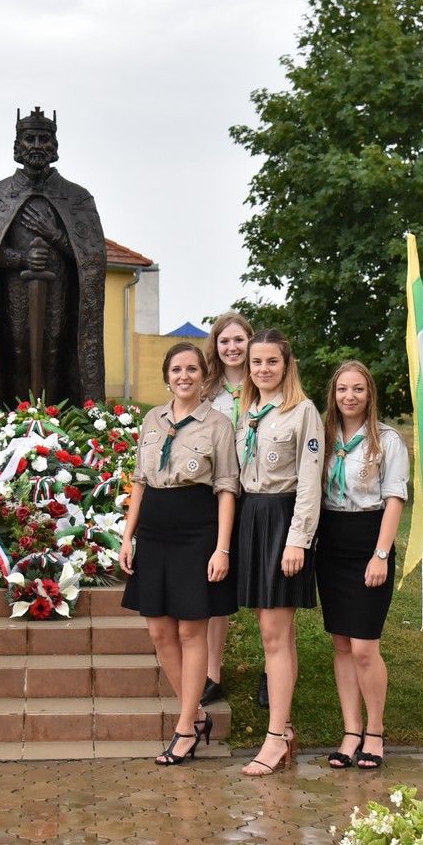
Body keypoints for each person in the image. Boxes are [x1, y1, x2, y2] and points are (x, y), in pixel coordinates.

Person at [119, 343, 239, 765]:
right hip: (154, 533)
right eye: (176, 369)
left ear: (204, 375)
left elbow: (227, 489)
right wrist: (127, 537)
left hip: (197, 532)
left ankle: (185, 727)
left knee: (191, 632)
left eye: (191, 369)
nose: (183, 376)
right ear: (167, 376)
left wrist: (222, 548)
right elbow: (139, 481)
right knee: (158, 630)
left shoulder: (218, 424)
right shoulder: (152, 418)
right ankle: (198, 714)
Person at [0, 106, 108, 406]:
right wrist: (21, 259)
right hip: (14, 292)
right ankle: (17, 417)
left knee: (55, 352)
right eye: (29, 138)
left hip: (60, 291)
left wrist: (55, 235)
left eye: (44, 139)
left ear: (54, 146)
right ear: (17, 145)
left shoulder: (76, 197)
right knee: (17, 351)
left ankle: (57, 418)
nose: (36, 146)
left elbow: (92, 258)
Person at [234, 328, 324, 776]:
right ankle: (284, 730)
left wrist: (297, 539)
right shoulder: (246, 411)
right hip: (250, 517)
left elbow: (310, 480)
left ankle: (273, 738)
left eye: (272, 361)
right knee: (272, 633)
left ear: (287, 365)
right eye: (256, 362)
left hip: (282, 520)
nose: (263, 369)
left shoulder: (302, 411)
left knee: (275, 633)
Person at [316, 362, 409, 772]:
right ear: (333, 394)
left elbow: (395, 499)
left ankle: (375, 731)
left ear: (369, 393)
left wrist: (381, 554)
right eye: (342, 389)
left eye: (357, 389)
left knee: (364, 647)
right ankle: (351, 731)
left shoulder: (387, 440)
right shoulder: (321, 437)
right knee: (341, 645)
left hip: (370, 540)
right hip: (331, 543)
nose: (349, 396)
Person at [201, 311, 252, 707]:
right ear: (215, 346)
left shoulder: (265, 382)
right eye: (224, 341)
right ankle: (212, 673)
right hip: (216, 493)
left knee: (269, 592)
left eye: (239, 339)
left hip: (258, 493)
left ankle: (272, 673)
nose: (232, 347)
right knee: (215, 584)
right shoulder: (207, 391)